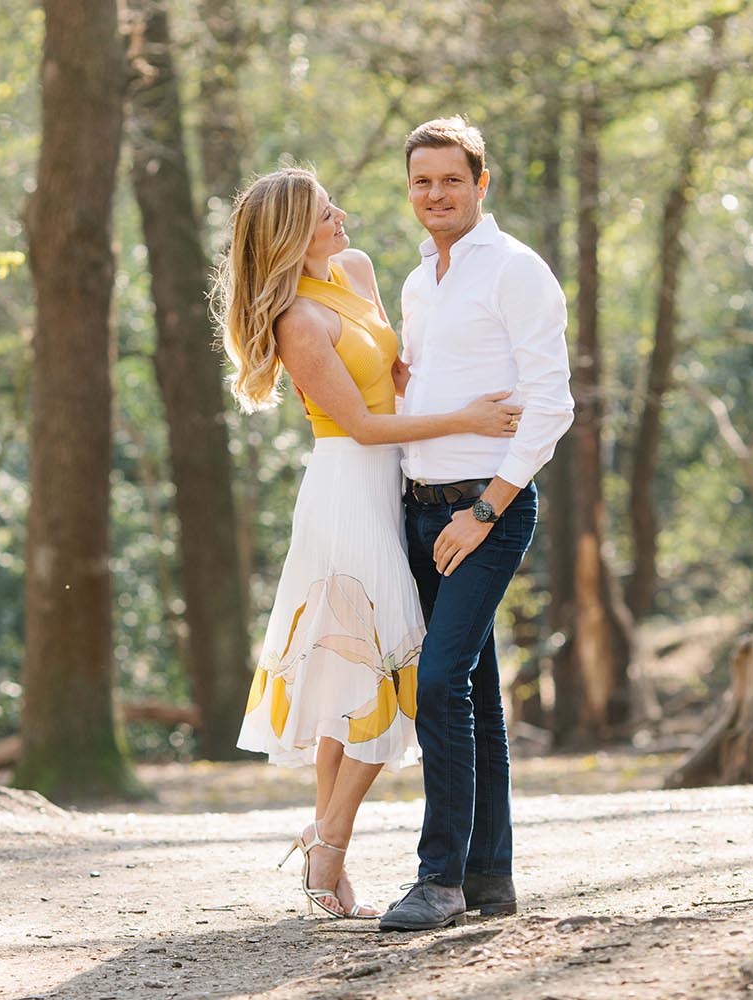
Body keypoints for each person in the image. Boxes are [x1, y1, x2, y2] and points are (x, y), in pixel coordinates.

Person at [218, 167, 526, 919]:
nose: (343, 217)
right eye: (327, 214)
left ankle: (325, 855)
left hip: (400, 490)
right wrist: (467, 419)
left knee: (350, 676)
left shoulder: (355, 270)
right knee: (387, 672)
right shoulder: (297, 319)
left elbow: (395, 369)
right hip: (346, 496)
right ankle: (328, 839)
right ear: (293, 234)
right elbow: (360, 425)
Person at [377, 118, 575, 932]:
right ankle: (493, 878)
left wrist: (486, 507)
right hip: (420, 507)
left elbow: (552, 404)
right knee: (477, 694)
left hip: (484, 508)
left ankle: (440, 880)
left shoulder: (516, 270)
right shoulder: (421, 280)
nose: (436, 195)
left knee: (440, 681)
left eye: (451, 180)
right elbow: (423, 393)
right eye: (422, 181)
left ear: (480, 183)